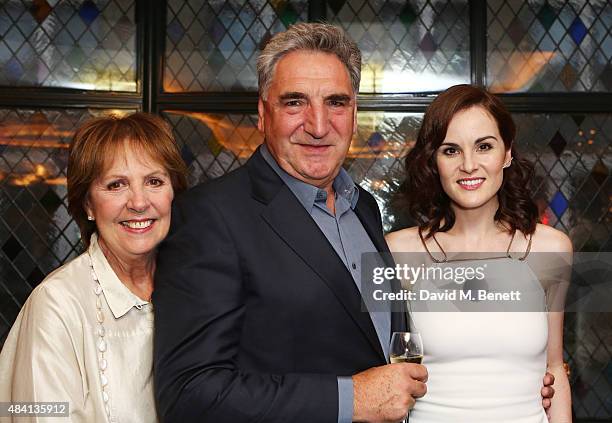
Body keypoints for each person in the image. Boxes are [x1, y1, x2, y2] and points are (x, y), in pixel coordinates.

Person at [153, 23, 426, 423]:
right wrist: (352, 398)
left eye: (336, 102)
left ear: (354, 114)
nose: (318, 125)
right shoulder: (210, 216)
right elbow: (189, 394)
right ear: (263, 114)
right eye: (295, 102)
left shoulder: (363, 206)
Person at [386, 84, 572, 422]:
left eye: (484, 146)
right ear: (434, 160)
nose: (469, 165)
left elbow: (554, 368)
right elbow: (386, 377)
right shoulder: (399, 252)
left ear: (507, 153)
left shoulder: (550, 249)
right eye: (451, 150)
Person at [0, 113, 188, 422]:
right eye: (116, 185)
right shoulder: (56, 304)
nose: (139, 202)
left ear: (173, 194)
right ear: (88, 204)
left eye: (154, 181)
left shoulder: (198, 288)